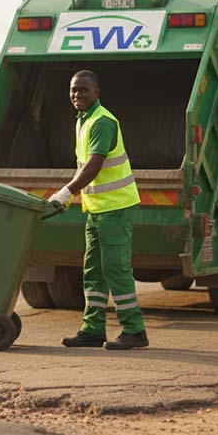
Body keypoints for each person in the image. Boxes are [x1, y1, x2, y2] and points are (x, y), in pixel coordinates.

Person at [50, 70, 148, 350]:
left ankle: (135, 330)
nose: (77, 95)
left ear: (97, 92)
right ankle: (93, 329)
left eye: (83, 90)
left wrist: (67, 191)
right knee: (93, 270)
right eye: (73, 90)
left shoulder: (102, 121)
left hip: (117, 208)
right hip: (97, 209)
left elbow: (94, 165)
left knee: (116, 269)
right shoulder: (83, 120)